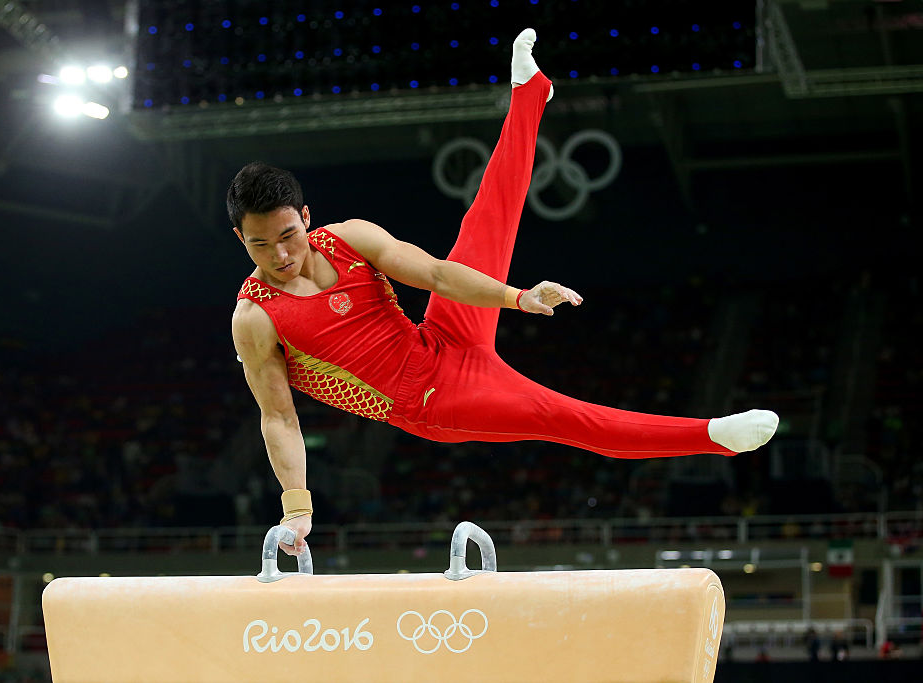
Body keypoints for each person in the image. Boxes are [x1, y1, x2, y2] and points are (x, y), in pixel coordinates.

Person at [228, 29, 779, 555]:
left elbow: (440, 276)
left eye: (288, 236)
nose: (279, 256)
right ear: (240, 239)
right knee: (561, 415)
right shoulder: (255, 318)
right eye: (259, 245)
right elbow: (279, 417)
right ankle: (713, 436)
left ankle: (530, 94)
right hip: (433, 402)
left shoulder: (349, 238)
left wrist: (517, 297)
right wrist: (296, 506)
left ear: (306, 217)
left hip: (439, 339)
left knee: (485, 224)